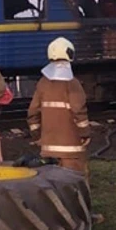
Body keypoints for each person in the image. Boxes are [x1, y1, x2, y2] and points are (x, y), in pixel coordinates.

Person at [27, 37, 91, 182]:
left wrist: (36, 135)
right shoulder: (72, 83)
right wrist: (85, 134)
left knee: (52, 186)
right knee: (75, 185)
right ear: (70, 54)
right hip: (71, 150)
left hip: (48, 149)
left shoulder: (42, 83)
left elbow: (32, 112)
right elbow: (79, 111)